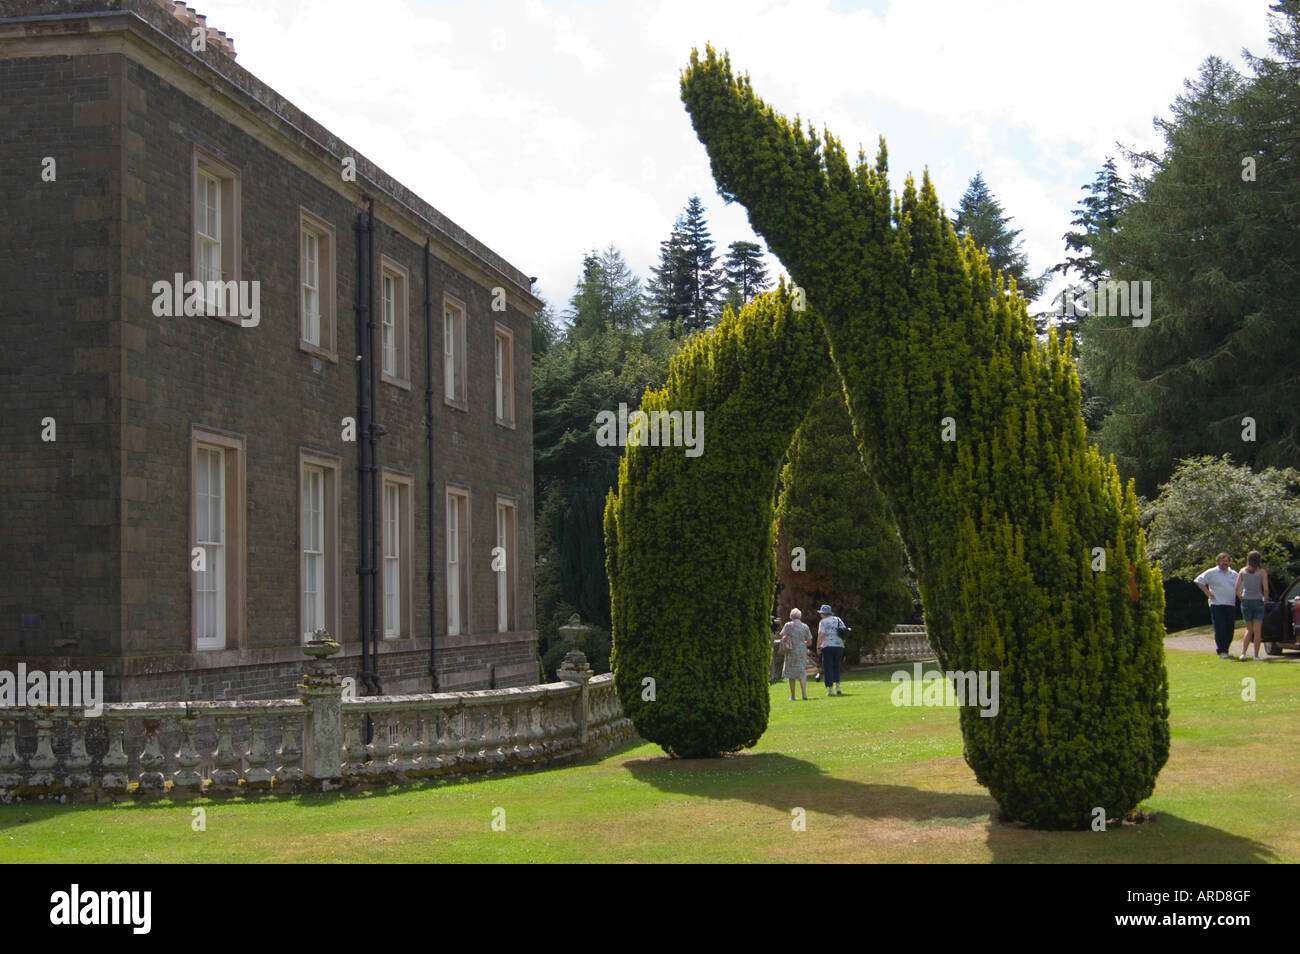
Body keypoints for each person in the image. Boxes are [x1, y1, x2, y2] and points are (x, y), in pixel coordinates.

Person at [1194, 553, 1239, 659]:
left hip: (1230, 604)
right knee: (1220, 628)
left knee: (1230, 628)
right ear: (1217, 562)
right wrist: (1207, 592)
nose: (1225, 563)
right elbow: (1198, 581)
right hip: (1217, 604)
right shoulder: (1212, 572)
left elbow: (1239, 586)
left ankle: (1226, 650)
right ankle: (1221, 651)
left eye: (1227, 561)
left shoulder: (1233, 574)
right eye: (1222, 561)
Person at [1235, 550, 1269, 661]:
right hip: (1257, 600)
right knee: (1257, 631)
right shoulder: (1262, 572)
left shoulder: (1242, 571)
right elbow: (1266, 589)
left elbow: (1236, 588)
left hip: (1246, 601)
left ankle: (1243, 653)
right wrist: (1265, 599)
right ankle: (1256, 655)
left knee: (1248, 630)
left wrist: (1241, 597)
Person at [778, 609, 813, 700]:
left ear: (791, 616)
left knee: (791, 674)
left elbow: (782, 637)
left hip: (791, 651)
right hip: (801, 651)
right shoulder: (805, 626)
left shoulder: (788, 625)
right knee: (802, 673)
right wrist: (801, 643)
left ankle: (793, 696)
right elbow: (809, 642)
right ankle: (804, 694)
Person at [817, 604, 846, 696]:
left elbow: (821, 635)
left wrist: (818, 647)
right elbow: (844, 632)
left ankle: (830, 689)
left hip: (828, 646)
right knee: (836, 666)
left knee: (828, 667)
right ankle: (838, 687)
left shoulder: (823, 622)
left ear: (824, 614)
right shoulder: (838, 620)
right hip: (839, 646)